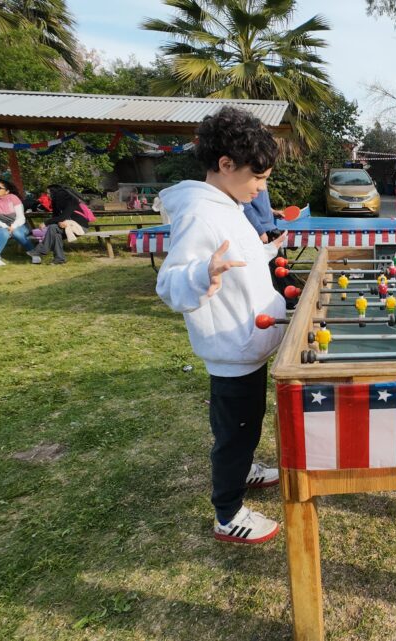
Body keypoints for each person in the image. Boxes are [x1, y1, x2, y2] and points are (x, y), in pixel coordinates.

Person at [155, 106, 287, 545]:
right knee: (235, 433)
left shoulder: (229, 205)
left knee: (247, 423)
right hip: (232, 348)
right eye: (258, 178)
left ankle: (244, 469)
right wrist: (201, 275)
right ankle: (228, 514)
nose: (261, 187)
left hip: (248, 343)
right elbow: (170, 283)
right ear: (226, 164)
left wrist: (269, 252)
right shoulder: (199, 213)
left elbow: (237, 258)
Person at [27, 184, 89, 265]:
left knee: (53, 227)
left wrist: (46, 223)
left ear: (55, 193)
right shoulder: (55, 202)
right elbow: (56, 217)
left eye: (48, 193)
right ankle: (59, 258)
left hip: (80, 227)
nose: (47, 195)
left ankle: (41, 250)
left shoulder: (72, 201)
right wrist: (56, 222)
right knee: (55, 233)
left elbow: (63, 217)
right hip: (67, 227)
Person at [0, 178, 37, 266]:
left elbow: (21, 218)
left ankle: (34, 253)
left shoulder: (14, 198)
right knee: (4, 232)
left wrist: (13, 226)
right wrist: (5, 226)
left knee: (16, 232)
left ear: (7, 191)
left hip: (18, 224)